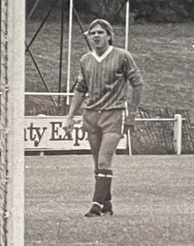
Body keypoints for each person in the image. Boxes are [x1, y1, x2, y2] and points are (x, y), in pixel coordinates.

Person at [61, 18, 143, 217]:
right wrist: (70, 116)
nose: (96, 36)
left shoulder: (122, 56)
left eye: (100, 32)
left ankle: (96, 206)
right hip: (91, 115)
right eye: (92, 33)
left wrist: (131, 115)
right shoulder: (85, 60)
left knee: (105, 161)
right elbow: (81, 88)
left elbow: (138, 84)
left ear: (108, 35)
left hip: (113, 115)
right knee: (98, 162)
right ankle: (107, 204)